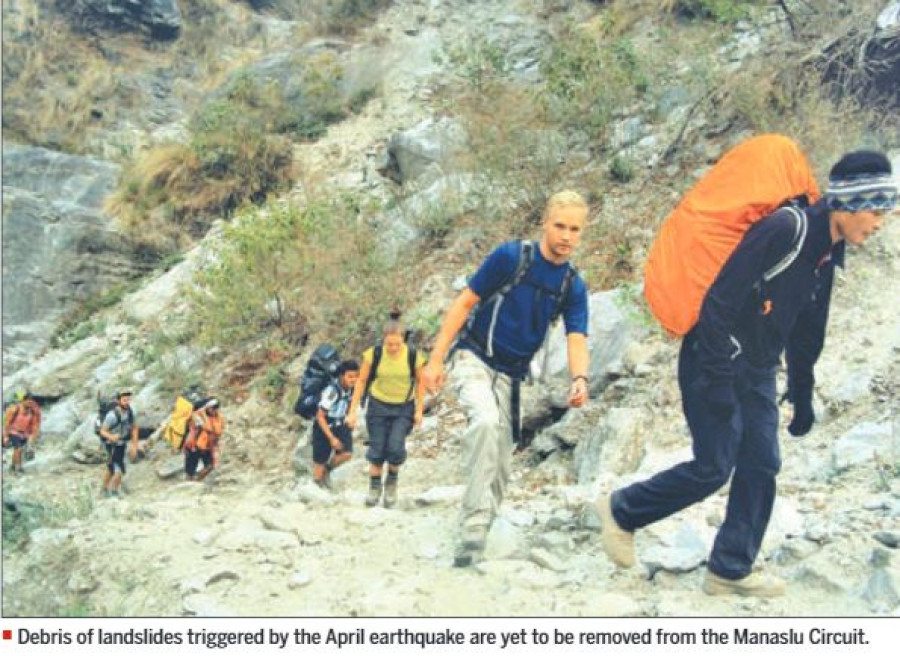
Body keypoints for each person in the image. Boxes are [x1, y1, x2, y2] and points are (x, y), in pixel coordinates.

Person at [597, 150, 898, 597]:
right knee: (714, 466)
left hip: (758, 367)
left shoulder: (828, 252)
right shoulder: (787, 228)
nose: (879, 224)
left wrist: (802, 390)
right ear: (847, 203)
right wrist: (718, 382)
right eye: (876, 211)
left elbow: (807, 328)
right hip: (713, 355)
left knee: (763, 462)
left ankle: (729, 569)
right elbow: (718, 302)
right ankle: (623, 511)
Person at [422, 190, 591, 567]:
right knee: (484, 421)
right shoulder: (511, 257)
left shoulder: (572, 286)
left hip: (513, 377)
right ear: (545, 222)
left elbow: (577, 336)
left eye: (575, 229)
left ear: (582, 234)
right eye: (560, 225)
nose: (566, 236)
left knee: (501, 462)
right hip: (474, 356)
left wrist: (580, 377)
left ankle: (484, 528)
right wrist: (435, 360)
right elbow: (464, 302)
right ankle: (472, 531)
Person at [347, 313, 426, 508]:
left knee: (395, 447)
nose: (393, 348)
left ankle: (391, 484)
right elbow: (362, 381)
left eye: (397, 344)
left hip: (403, 407)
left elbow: (420, 381)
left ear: (403, 340)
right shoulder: (373, 354)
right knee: (377, 448)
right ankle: (374, 489)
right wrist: (352, 410)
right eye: (389, 344)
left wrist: (420, 410)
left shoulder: (412, 356)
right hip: (378, 406)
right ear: (384, 340)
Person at [312, 361, 360, 490]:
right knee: (319, 461)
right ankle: (317, 484)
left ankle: (327, 471)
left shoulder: (352, 389)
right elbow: (320, 416)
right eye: (350, 376)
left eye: (356, 376)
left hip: (340, 423)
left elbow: (350, 406)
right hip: (324, 426)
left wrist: (352, 417)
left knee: (347, 453)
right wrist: (331, 438)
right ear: (342, 376)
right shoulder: (332, 392)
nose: (353, 380)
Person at [97, 390, 138, 497]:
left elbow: (134, 428)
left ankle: (103, 490)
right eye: (124, 400)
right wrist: (111, 437)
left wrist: (134, 445)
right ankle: (113, 492)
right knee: (119, 469)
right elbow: (102, 431)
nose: (127, 402)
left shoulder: (129, 411)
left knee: (111, 468)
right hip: (111, 445)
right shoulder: (112, 415)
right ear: (119, 401)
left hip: (121, 444)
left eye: (128, 400)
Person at [183, 398, 225, 481]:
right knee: (190, 472)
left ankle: (197, 482)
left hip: (207, 447)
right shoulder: (198, 415)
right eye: (212, 408)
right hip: (193, 447)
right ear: (208, 407)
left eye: (215, 409)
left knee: (210, 466)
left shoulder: (219, 418)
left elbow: (218, 431)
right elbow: (195, 424)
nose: (213, 411)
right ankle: (189, 484)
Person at [3, 390, 41, 474]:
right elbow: (7, 423)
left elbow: (34, 424)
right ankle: (19, 468)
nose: (30, 404)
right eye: (28, 402)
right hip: (13, 432)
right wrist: (5, 436)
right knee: (18, 449)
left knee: (17, 450)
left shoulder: (32, 411)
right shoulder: (15, 409)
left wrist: (34, 435)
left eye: (31, 402)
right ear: (23, 401)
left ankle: (12, 466)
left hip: (24, 434)